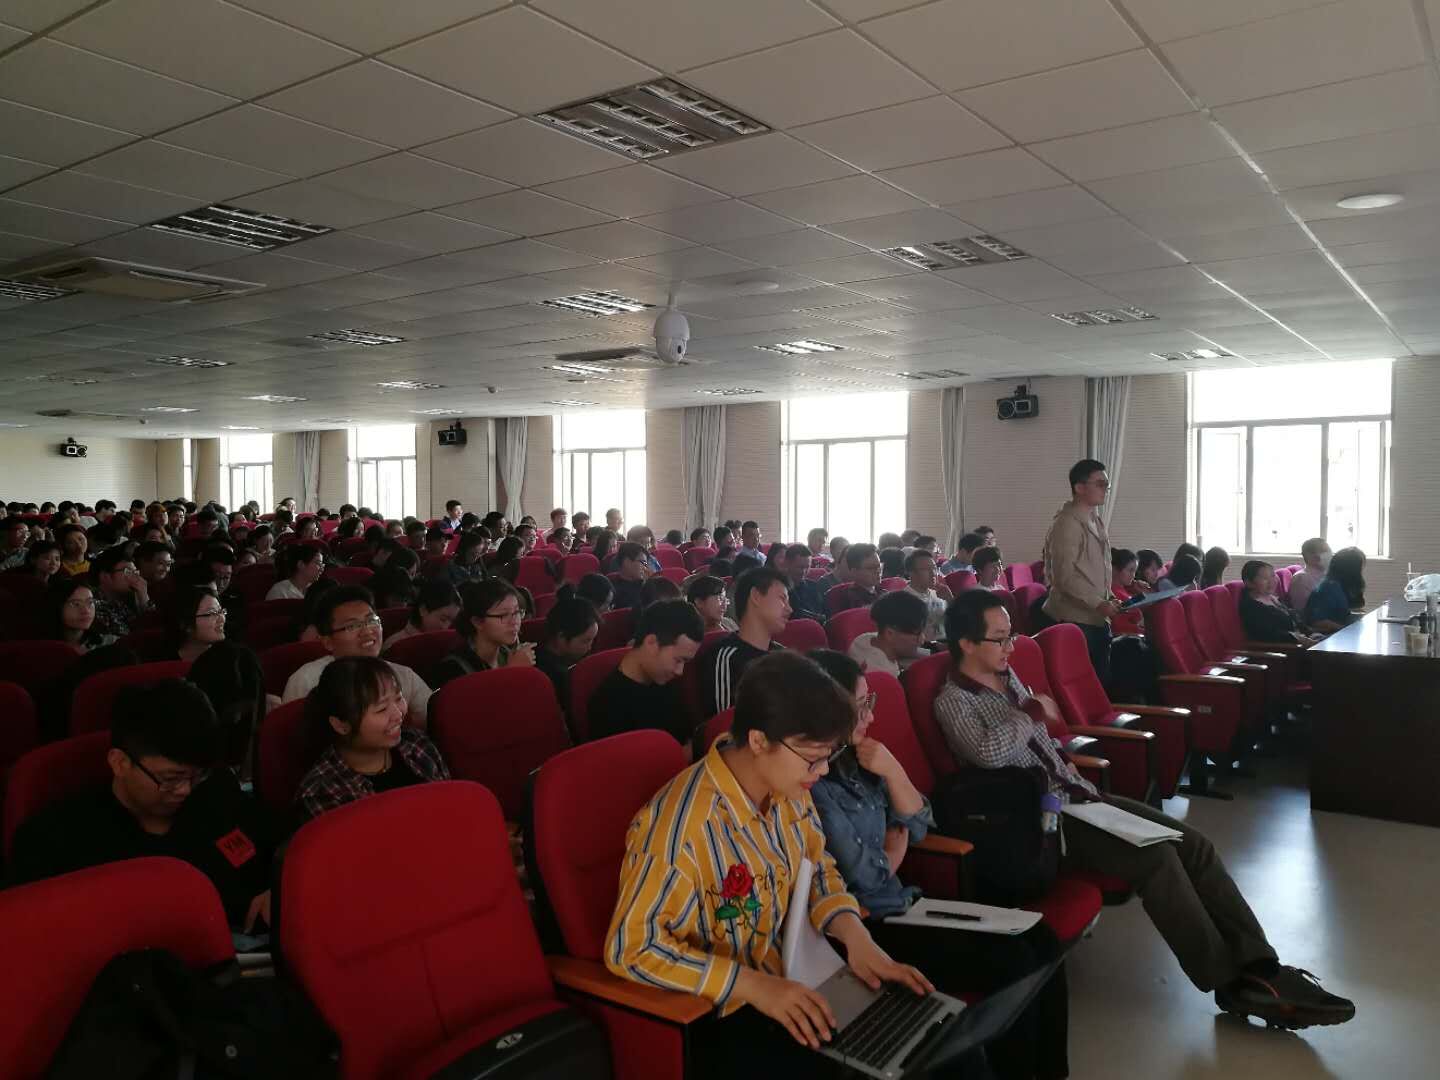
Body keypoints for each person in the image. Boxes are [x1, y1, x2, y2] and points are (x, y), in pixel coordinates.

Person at [936, 590, 1355, 1030]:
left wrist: (1051, 742)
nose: (1010, 647)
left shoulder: (1007, 678)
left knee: (1193, 845)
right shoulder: (953, 700)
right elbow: (988, 753)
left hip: (1076, 794)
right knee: (1157, 860)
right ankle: (1228, 982)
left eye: (1011, 636)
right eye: (1000, 638)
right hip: (1040, 821)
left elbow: (1042, 738)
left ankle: (1260, 964)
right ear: (966, 643)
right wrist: (1030, 713)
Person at [606, 650, 942, 1079]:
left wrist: (857, 938)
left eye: (828, 756)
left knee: (925, 1036)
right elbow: (632, 948)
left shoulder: (788, 786)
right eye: (813, 758)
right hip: (727, 1011)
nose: (823, 771)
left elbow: (817, 867)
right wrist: (753, 985)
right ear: (759, 740)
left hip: (800, 974)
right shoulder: (682, 828)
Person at [808, 649, 1069, 1080]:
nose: (871, 716)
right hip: (870, 929)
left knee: (1042, 939)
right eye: (861, 707)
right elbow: (867, 878)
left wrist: (894, 773)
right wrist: (894, 848)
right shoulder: (816, 786)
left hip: (907, 903)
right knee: (1016, 962)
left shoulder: (863, 759)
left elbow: (922, 821)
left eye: (870, 702)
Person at [8, 680, 273, 933]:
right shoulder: (56, 839)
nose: (185, 790)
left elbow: (270, 850)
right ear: (120, 763)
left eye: (196, 776)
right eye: (171, 779)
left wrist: (276, 891)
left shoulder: (217, 794)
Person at [293, 657, 450, 826]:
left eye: (398, 698)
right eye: (382, 709)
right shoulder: (323, 793)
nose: (398, 714)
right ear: (341, 725)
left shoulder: (415, 743)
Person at [281, 586, 433, 727]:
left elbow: (435, 719)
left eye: (371, 620)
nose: (367, 631)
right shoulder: (306, 681)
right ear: (327, 641)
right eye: (352, 626)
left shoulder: (404, 676)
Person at [1041, 459, 1117, 684]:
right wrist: (1098, 603)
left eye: (1106, 485)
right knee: (1083, 686)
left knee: (1100, 684)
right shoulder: (1067, 523)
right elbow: (1064, 577)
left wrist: (1108, 597)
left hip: (1095, 617)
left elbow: (1097, 568)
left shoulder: (1095, 519)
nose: (1105, 489)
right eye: (1100, 484)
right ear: (1080, 487)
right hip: (1075, 619)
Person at [587, 600, 704, 746]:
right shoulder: (606, 706)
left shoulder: (666, 681)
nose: (680, 671)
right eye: (678, 660)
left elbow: (686, 741)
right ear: (651, 643)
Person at [700, 568, 791, 718]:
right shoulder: (726, 658)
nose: (789, 609)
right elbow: (725, 724)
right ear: (756, 596)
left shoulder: (783, 655)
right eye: (782, 599)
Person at [186, 641, 270, 785]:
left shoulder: (264, 717)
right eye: (231, 714)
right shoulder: (188, 728)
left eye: (245, 713)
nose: (237, 719)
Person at [429, 579, 537, 689]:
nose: (515, 622)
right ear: (478, 622)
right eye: (503, 615)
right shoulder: (454, 669)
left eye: (517, 612)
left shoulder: (509, 654)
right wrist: (511, 672)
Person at [847, 589, 931, 677]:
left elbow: (912, 651)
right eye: (917, 634)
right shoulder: (885, 673)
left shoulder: (864, 639)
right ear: (890, 633)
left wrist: (929, 653)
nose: (922, 640)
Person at [533, 595, 600, 704]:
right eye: (586, 641)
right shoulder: (556, 677)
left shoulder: (545, 651)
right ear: (561, 637)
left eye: (593, 639)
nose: (590, 647)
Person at [1240, 561, 1317, 645]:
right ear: (1249, 583)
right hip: (1286, 648)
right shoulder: (1252, 608)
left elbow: (1295, 621)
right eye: (1265, 578)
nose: (1272, 581)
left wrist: (1312, 634)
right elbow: (1268, 634)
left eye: (1273, 576)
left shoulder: (1272, 598)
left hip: (1303, 640)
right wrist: (1299, 639)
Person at [381, 580, 461, 653]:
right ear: (423, 610)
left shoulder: (445, 644)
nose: (446, 627)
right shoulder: (395, 646)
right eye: (443, 619)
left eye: (451, 621)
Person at [1305, 546, 1366, 633]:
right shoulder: (1329, 588)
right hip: (1329, 636)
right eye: (1360, 568)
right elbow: (1317, 622)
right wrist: (1346, 630)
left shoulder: (1342, 584)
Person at [45, 574, 114, 652]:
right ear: (57, 606)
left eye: (90, 602)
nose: (86, 611)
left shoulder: (109, 643)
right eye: (76, 604)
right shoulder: (43, 648)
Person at [164, 585, 228, 663]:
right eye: (212, 613)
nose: (222, 619)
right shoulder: (163, 663)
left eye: (221, 611)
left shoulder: (232, 658)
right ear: (186, 625)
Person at [904, 548, 951, 642]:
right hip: (924, 646)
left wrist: (950, 599)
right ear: (911, 573)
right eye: (925, 569)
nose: (933, 573)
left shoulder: (940, 593)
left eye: (934, 568)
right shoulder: (904, 599)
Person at [825, 542, 882, 617]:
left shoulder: (884, 593)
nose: (878, 571)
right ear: (854, 571)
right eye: (871, 568)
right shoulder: (846, 599)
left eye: (879, 566)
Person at [1287, 537, 1331, 615]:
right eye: (1325, 551)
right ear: (1312, 556)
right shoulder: (1302, 579)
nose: (1330, 555)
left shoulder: (1324, 574)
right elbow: (1302, 610)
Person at [783, 543, 826, 622]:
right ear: (787, 564)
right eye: (800, 567)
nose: (803, 572)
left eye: (807, 567)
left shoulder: (814, 586)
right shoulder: (778, 589)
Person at [609, 541, 650, 610]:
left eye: (646, 564)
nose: (645, 568)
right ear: (627, 562)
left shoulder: (649, 586)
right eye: (642, 562)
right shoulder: (611, 590)